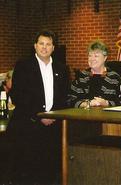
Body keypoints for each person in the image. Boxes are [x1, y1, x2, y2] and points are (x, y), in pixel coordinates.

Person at [5, 30, 69, 184]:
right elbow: (18, 95)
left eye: (48, 44)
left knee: (49, 173)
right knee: (28, 173)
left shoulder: (62, 69)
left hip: (53, 129)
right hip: (28, 127)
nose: (44, 47)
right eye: (41, 44)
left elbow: (64, 97)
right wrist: (39, 115)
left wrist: (52, 116)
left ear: (53, 48)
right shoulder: (23, 66)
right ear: (35, 46)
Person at [68, 39, 121, 108]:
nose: (92, 59)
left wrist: (106, 103)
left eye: (96, 56)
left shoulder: (114, 77)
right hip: (83, 117)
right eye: (90, 55)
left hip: (107, 117)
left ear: (105, 58)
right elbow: (70, 100)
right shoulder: (81, 76)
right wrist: (88, 104)